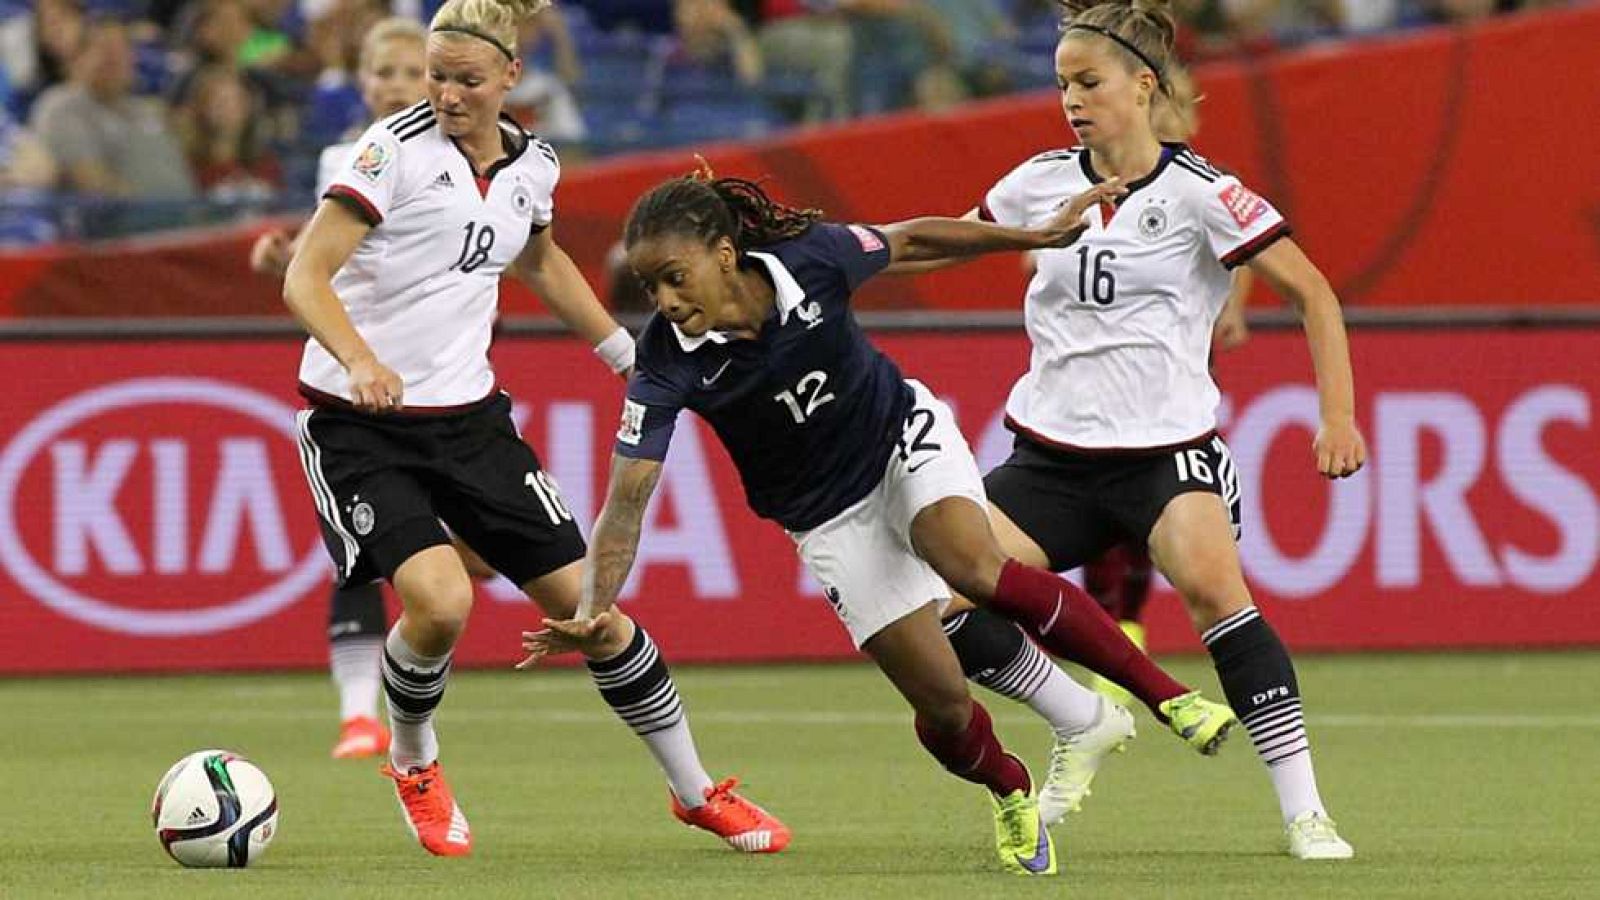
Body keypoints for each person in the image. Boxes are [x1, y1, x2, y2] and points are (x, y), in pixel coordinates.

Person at [522, 171, 1236, 876]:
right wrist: (593, 609)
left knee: (970, 563)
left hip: (900, 437)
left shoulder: (810, 259)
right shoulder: (665, 364)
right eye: (651, 287)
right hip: (828, 518)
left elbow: (911, 240)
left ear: (725, 253)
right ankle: (1010, 788)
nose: (665, 302)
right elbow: (627, 500)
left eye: (675, 278)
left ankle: (1170, 699)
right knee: (944, 706)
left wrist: (1035, 237)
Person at [281, 0, 788, 858]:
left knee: (593, 612)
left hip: (471, 422)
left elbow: (540, 260)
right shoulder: (391, 152)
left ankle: (696, 792)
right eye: (436, 77)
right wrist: (360, 358)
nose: (447, 94)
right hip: (357, 422)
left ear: (512, 77)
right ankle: (414, 762)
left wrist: (623, 353)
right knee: (441, 602)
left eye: (467, 80)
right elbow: (305, 274)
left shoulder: (534, 164)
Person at [905, 0, 1365, 860]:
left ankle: (1307, 812)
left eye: (1089, 83)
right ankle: (1078, 716)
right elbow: (949, 241)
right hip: (1048, 461)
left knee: (1216, 596)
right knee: (932, 603)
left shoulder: (1204, 193)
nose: (1071, 101)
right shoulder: (1037, 181)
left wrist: (1336, 415)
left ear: (1144, 85)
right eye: (1062, 86)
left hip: (1165, 458)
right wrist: (849, 253)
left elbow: (1314, 293)